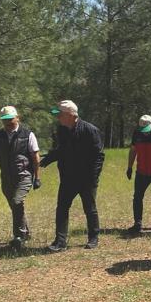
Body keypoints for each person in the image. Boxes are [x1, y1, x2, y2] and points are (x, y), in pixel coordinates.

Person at [40, 100, 105, 252]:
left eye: (60, 115)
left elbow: (98, 156)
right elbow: (61, 150)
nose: (58, 118)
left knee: (90, 208)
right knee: (62, 208)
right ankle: (60, 242)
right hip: (68, 177)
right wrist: (47, 160)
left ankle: (93, 238)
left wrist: (93, 177)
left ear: (70, 115)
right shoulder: (61, 130)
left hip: (87, 178)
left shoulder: (90, 130)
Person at [0, 106, 41, 250]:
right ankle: (25, 233)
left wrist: (37, 177)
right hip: (6, 178)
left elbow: (35, 157)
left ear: (17, 118)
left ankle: (18, 237)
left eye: (10, 119)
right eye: (5, 120)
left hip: (24, 175)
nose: (8, 122)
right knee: (15, 206)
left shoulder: (28, 135)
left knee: (17, 202)